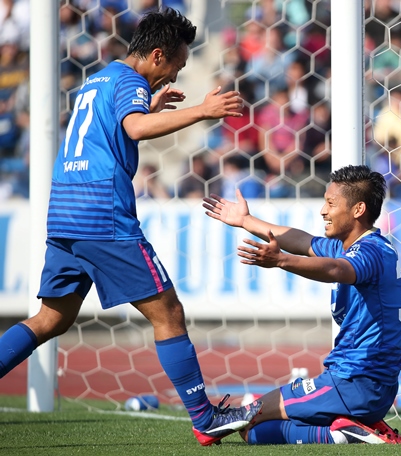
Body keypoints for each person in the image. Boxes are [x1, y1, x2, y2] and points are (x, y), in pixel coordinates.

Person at [0, 8, 260, 446]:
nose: (174, 74)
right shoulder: (131, 81)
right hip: (101, 213)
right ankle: (205, 419)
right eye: (175, 64)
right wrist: (202, 111)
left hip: (64, 211)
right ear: (156, 55)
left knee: (51, 318)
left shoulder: (99, 79)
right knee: (168, 312)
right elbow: (135, 128)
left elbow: (113, 130)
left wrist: (150, 106)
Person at [202, 164, 401, 444]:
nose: (323, 211)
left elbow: (337, 269)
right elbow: (301, 240)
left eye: (331, 203)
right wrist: (246, 221)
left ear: (358, 209)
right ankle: (349, 429)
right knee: (255, 432)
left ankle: (351, 434)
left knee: (249, 418)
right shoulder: (358, 246)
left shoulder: (369, 252)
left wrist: (281, 261)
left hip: (353, 382)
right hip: (370, 388)